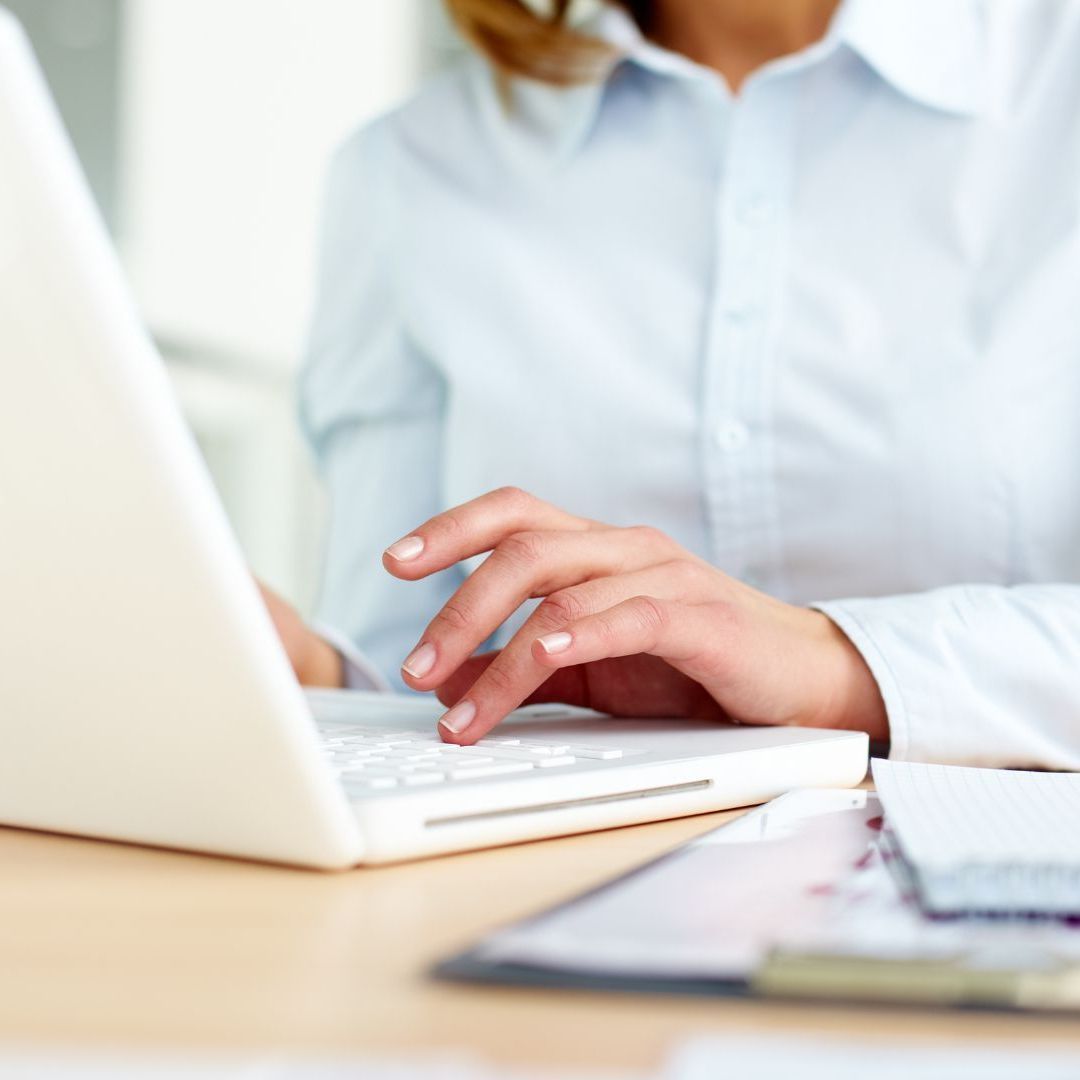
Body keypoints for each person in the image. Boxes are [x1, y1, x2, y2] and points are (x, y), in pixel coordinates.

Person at [263, 0, 1080, 770]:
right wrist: (292, 664)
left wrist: (836, 664)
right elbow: (408, 668)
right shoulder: (409, 166)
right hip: (566, 882)